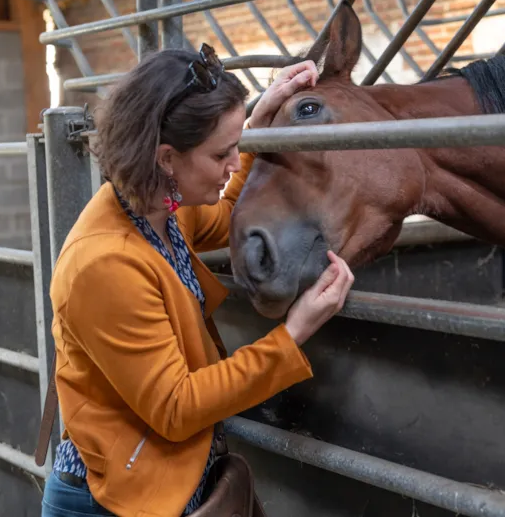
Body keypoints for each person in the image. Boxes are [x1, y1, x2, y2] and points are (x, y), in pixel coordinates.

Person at [40, 43, 355, 517]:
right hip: (112, 503)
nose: (234, 162)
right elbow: (177, 407)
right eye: (222, 153)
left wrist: (260, 126)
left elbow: (227, 213)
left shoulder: (160, 208)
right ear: (167, 158)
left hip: (164, 483)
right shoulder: (104, 264)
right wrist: (294, 333)